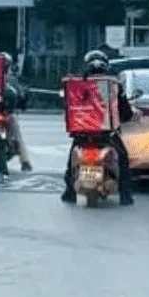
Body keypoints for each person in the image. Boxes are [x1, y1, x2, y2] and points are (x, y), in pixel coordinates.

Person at [61, 50, 134, 206]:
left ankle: (69, 192)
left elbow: (69, 109)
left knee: (71, 162)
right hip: (106, 134)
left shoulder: (77, 86)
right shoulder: (114, 86)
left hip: (82, 134)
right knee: (123, 158)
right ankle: (125, 194)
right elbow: (125, 112)